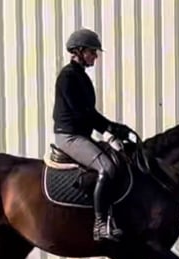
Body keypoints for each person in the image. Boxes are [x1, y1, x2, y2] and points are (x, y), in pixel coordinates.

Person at [52, 28, 133, 242]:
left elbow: (90, 113)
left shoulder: (81, 77)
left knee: (119, 159)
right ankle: (99, 225)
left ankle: (113, 220)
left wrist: (113, 127)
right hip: (69, 136)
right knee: (106, 167)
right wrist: (109, 128)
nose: (95, 56)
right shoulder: (67, 77)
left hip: (82, 135)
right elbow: (81, 113)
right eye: (92, 51)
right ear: (78, 51)